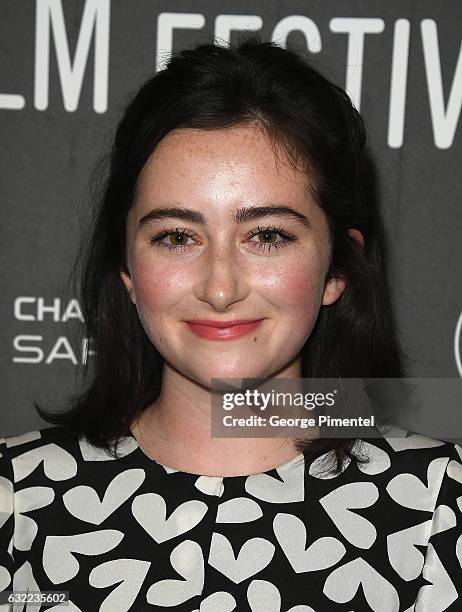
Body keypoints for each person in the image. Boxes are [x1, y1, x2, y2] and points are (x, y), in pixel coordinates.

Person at [0, 38, 461, 612]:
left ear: (337, 269)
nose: (220, 288)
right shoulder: (15, 498)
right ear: (127, 268)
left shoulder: (436, 508)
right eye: (177, 237)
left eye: (267, 236)